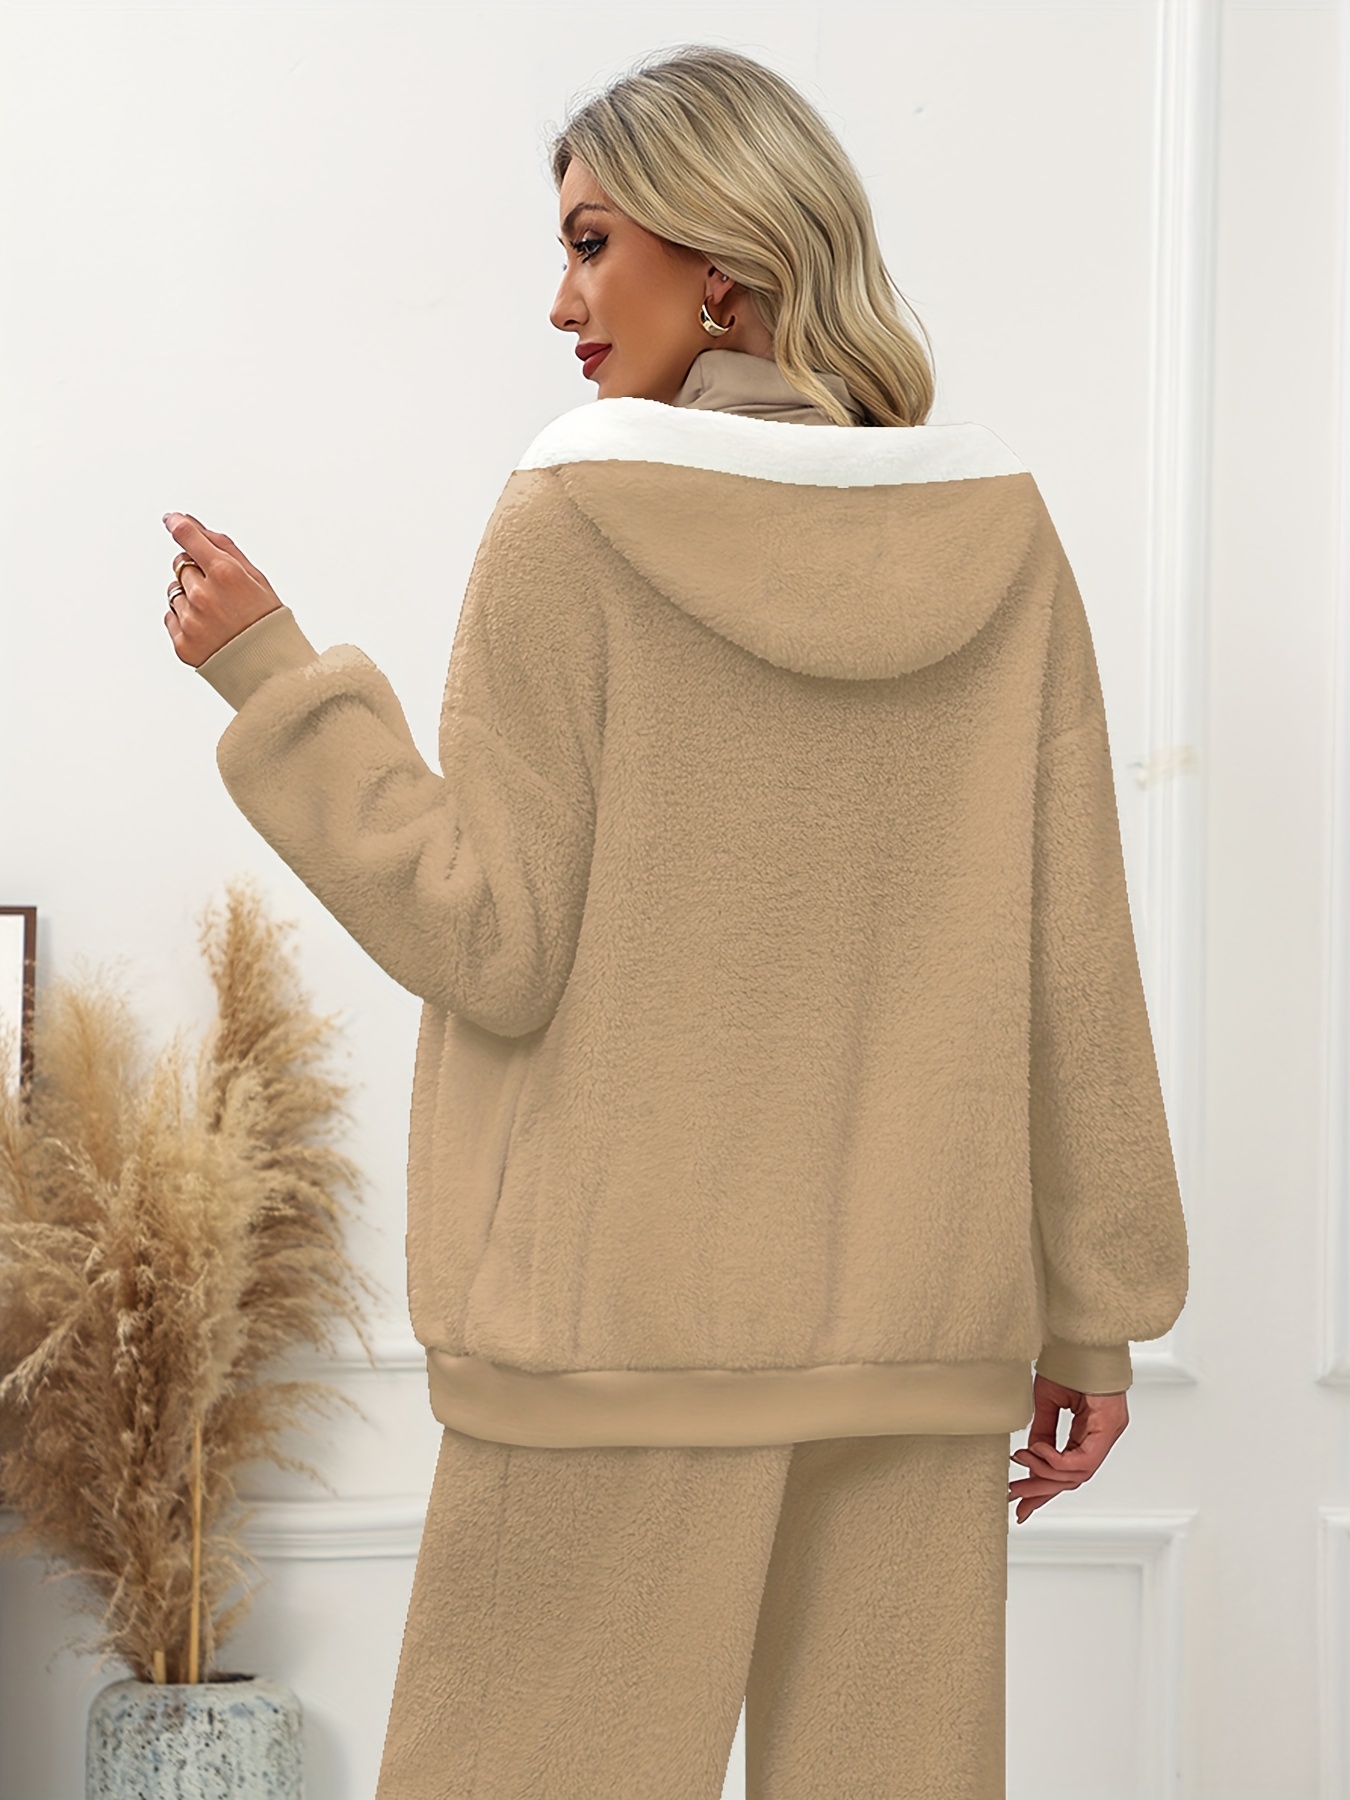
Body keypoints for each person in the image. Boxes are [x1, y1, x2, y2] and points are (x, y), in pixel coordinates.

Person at [161, 42, 1188, 1800]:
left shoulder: (572, 517)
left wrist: (272, 675)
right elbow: (1072, 958)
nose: (561, 302)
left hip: (608, 1336)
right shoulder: (1002, 536)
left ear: (720, 257)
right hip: (921, 1334)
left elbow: (490, 940)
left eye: (590, 243)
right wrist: (1093, 1319)